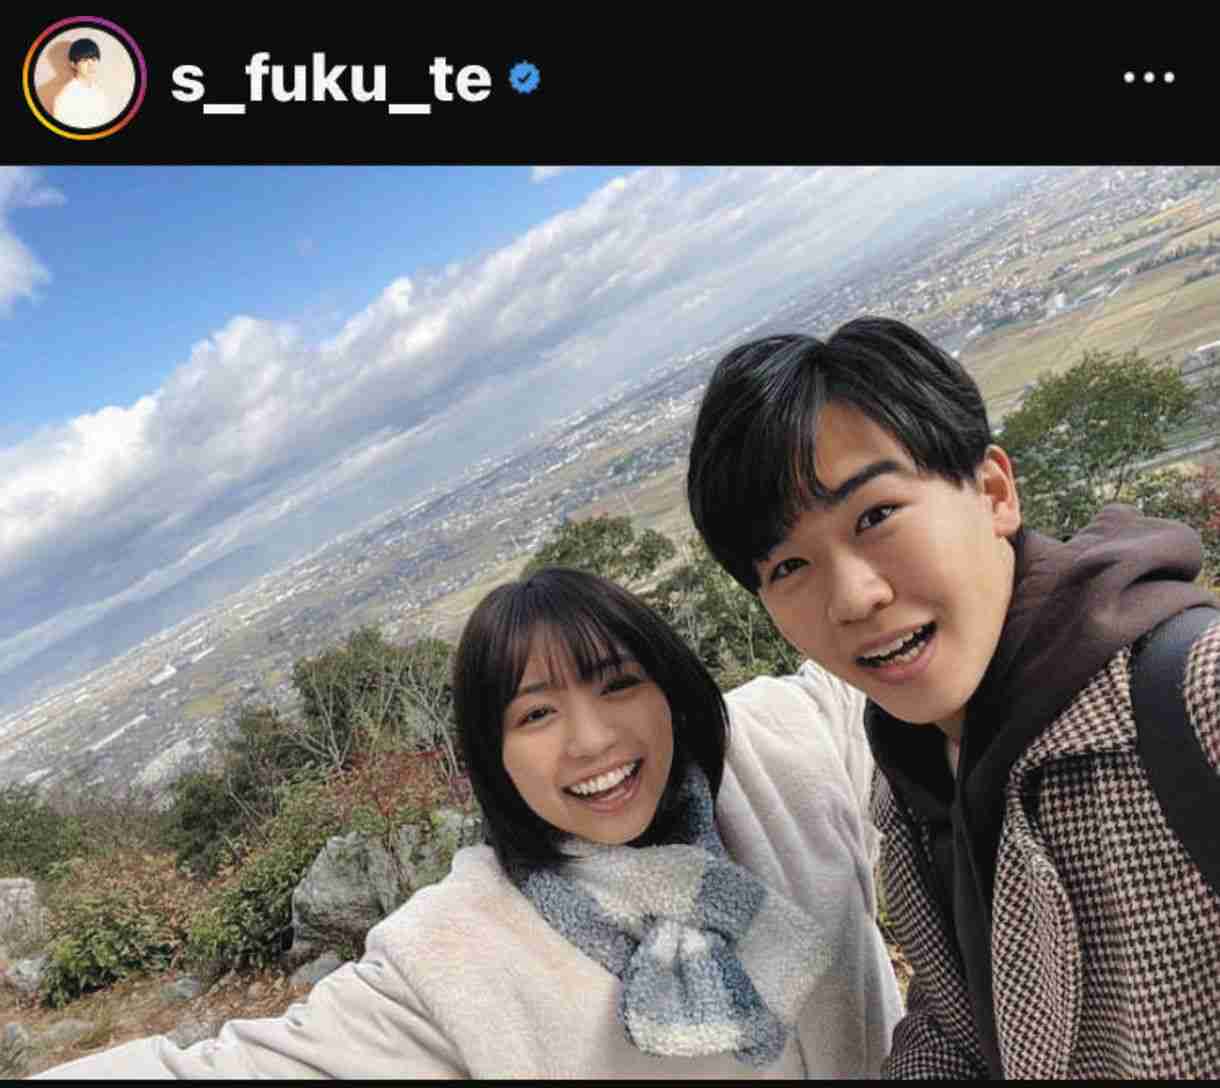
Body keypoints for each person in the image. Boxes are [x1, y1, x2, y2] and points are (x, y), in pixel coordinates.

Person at [38, 567, 902, 1078]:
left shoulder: (780, 751)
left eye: (617, 684)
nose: (591, 741)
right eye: (536, 715)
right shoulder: (449, 950)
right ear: (494, 756)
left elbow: (913, 674)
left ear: (669, 688)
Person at [684, 314, 1220, 1078]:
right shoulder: (913, 775)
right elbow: (962, 1027)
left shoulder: (1191, 696)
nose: (853, 597)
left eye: (876, 516)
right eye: (788, 568)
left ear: (994, 492)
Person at [51, 38, 113, 129]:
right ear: (73, 64)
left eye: (94, 59)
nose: (91, 65)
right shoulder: (65, 96)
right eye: (84, 60)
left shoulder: (100, 92)